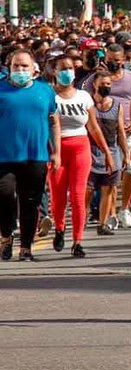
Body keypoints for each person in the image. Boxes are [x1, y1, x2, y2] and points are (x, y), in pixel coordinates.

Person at [0, 51, 60, 262]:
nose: (20, 70)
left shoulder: (45, 91)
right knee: (5, 197)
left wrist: (56, 152)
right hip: (4, 158)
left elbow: (53, 122)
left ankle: (26, 247)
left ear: (34, 69)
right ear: (9, 67)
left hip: (36, 157)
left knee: (30, 202)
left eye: (24, 66)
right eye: (16, 66)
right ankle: (6, 236)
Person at [49, 55, 109, 257]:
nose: (67, 72)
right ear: (55, 72)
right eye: (62, 68)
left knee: (77, 196)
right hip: (57, 149)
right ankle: (59, 228)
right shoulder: (50, 96)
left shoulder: (84, 96)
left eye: (70, 68)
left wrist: (107, 152)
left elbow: (93, 126)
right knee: (58, 197)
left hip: (80, 147)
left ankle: (77, 241)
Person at [82, 44, 131, 230]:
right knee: (97, 181)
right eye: (110, 60)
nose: (113, 63)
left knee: (129, 170)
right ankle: (104, 216)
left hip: (125, 131)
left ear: (123, 60)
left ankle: (123, 209)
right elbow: (84, 99)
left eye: (117, 60)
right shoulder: (94, 79)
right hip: (97, 134)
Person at [87, 70, 126, 236]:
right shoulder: (88, 103)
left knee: (108, 189)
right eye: (102, 83)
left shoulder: (117, 106)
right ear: (94, 84)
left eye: (108, 84)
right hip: (90, 152)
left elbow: (121, 131)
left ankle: (103, 224)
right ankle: (81, 218)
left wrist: (126, 153)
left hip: (112, 151)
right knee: (87, 190)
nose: (105, 87)